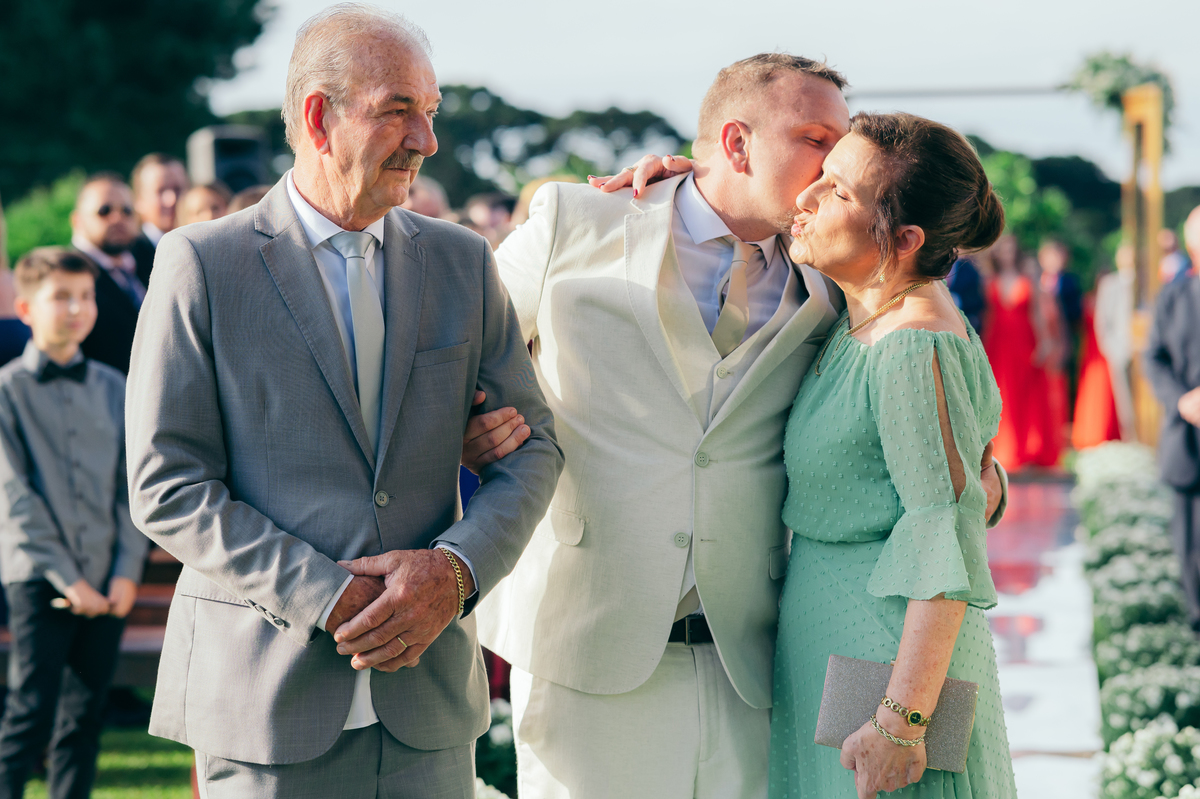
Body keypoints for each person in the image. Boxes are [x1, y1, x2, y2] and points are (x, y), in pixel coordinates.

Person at [474, 53, 1006, 798]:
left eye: (841, 152)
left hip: (764, 657)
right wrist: (476, 426)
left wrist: (976, 492)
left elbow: (938, 447)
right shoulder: (581, 220)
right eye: (816, 140)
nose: (828, 167)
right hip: (589, 645)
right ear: (736, 143)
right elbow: (458, 357)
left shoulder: (839, 272)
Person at [124, 6, 562, 798]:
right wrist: (325, 595)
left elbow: (534, 448)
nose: (427, 140)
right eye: (400, 110)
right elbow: (167, 483)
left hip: (428, 704)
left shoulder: (464, 261)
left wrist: (454, 572)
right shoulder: (201, 263)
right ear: (320, 118)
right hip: (261, 702)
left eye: (431, 111)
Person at [770, 111, 1015, 799]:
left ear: (905, 240)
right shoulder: (872, 313)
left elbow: (944, 532)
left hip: (882, 674)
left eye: (838, 191)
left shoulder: (911, 344)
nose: (805, 197)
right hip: (843, 654)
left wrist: (900, 723)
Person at [0, 247, 147, 798]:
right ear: (25, 309)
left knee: (84, 719)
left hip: (108, 580)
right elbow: (15, 498)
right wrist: (70, 581)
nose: (77, 308)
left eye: (85, 296)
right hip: (40, 579)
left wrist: (125, 572)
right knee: (30, 711)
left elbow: (130, 488)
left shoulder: (115, 388)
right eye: (60, 297)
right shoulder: (6, 392)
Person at [1145, 206, 1200, 632]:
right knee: (1190, 543)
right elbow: (1154, 357)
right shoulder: (1174, 296)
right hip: (1187, 437)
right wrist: (1182, 401)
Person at [70, 173, 150, 374]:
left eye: (127, 211)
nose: (117, 218)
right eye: (104, 211)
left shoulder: (150, 257)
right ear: (77, 221)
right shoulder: (67, 274)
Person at [983, 235, 1050, 470]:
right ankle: (1004, 450)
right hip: (998, 343)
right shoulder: (988, 280)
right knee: (1001, 395)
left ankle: (1027, 449)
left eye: (1011, 249)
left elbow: (1036, 312)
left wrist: (1044, 341)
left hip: (1024, 342)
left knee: (1025, 395)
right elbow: (987, 316)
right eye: (1004, 250)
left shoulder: (1028, 279)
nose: (1008, 254)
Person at [129, 153, 189, 280]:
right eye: (160, 191)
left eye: (178, 189)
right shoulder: (128, 257)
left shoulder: (201, 246)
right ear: (139, 200)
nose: (171, 200)